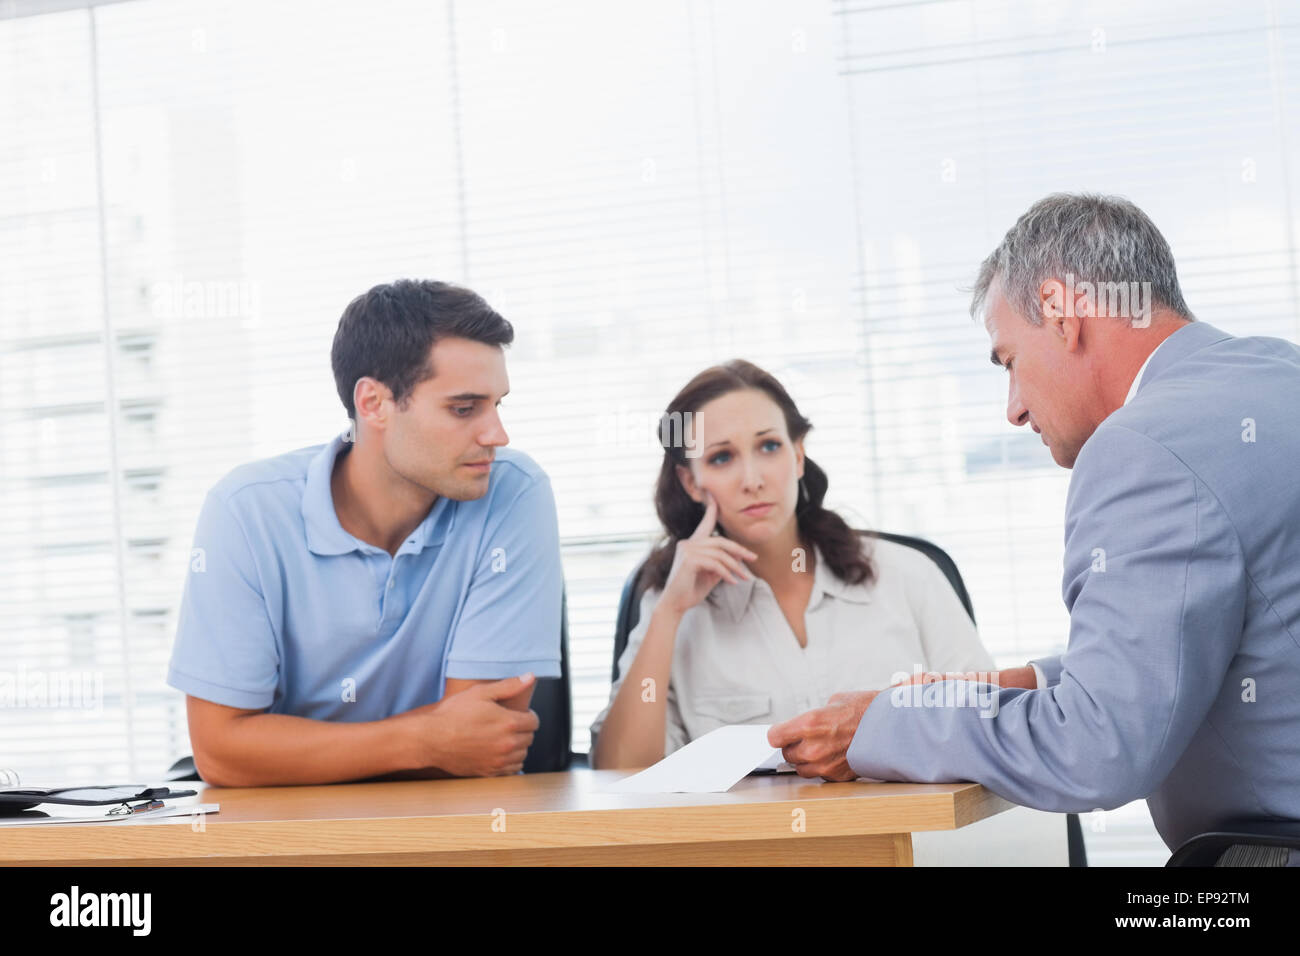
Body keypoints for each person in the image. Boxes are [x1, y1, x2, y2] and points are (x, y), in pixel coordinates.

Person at [769, 193, 1300, 855]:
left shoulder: (1145, 446)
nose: (1014, 410)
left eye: (1009, 361)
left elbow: (1099, 747)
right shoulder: (1279, 374)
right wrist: (1031, 681)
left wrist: (881, 724)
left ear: (1060, 311)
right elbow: (1225, 636)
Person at [167, 279, 563, 786]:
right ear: (373, 403)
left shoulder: (512, 492)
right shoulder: (246, 512)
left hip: (446, 834)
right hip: (286, 841)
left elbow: (479, 745)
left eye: (497, 405)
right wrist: (423, 737)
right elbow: (222, 752)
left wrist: (285, 750)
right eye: (464, 409)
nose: (496, 436)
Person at [590, 360, 995, 769]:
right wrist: (668, 613)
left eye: (769, 447)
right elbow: (620, 771)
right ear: (691, 482)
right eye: (721, 458)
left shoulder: (907, 575)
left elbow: (985, 722)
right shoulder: (672, 607)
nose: (752, 479)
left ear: (798, 456)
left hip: (904, 832)